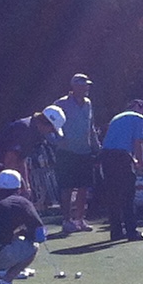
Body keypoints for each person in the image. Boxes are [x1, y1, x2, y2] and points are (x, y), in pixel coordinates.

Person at [99, 98, 143, 241]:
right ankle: (131, 231)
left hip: (106, 156)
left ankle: (116, 232)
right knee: (128, 194)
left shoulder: (117, 117)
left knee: (113, 195)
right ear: (139, 107)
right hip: (121, 157)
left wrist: (133, 160)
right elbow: (137, 143)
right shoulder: (138, 118)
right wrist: (140, 165)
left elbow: (120, 141)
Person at [52, 73, 97, 234]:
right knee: (67, 187)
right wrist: (57, 141)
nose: (86, 88)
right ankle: (67, 221)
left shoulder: (88, 103)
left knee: (84, 187)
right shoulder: (61, 103)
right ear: (75, 86)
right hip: (66, 152)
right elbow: (51, 125)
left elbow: (91, 127)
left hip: (84, 151)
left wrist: (96, 146)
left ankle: (80, 219)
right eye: (83, 85)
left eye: (87, 85)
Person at [0, 106, 64, 190]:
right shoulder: (24, 130)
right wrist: (16, 186)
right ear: (46, 123)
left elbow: (21, 159)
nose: (51, 132)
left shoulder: (32, 129)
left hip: (2, 169)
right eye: (52, 129)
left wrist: (26, 186)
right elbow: (10, 160)